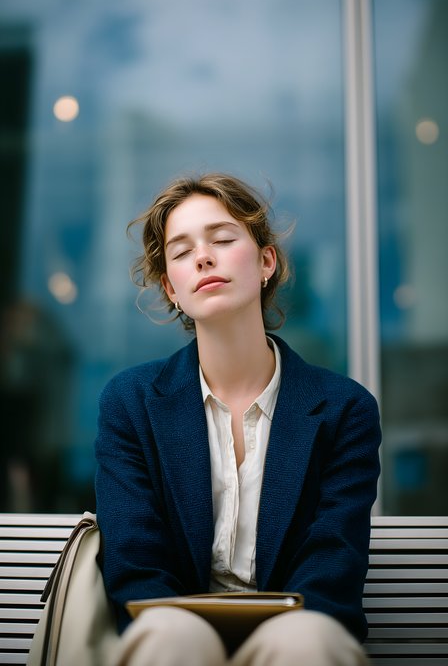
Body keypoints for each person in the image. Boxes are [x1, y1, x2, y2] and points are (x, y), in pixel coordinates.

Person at [95, 173, 381, 666]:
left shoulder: (344, 409)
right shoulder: (130, 402)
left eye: (223, 239)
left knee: (306, 642)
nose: (203, 257)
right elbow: (135, 561)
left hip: (298, 632)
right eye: (181, 252)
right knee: (171, 636)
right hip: (171, 629)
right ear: (172, 288)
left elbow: (332, 561)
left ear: (267, 261)